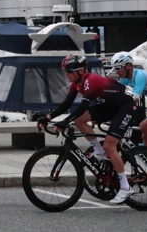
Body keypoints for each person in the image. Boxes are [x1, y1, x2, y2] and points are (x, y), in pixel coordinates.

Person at [37, 54, 139, 205]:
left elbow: (83, 106)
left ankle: (125, 187)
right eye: (66, 71)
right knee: (79, 120)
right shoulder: (76, 84)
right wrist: (48, 117)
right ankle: (98, 151)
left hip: (125, 107)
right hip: (109, 106)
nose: (67, 74)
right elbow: (66, 104)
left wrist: (65, 121)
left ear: (81, 71)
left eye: (70, 71)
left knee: (110, 145)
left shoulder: (91, 82)